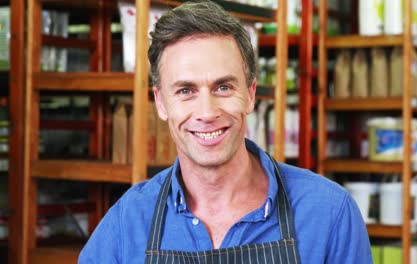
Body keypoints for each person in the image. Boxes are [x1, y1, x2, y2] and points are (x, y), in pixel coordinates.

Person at [79, 1, 372, 263]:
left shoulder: (329, 214)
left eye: (223, 87)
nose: (207, 112)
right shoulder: (127, 223)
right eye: (185, 90)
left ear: (251, 93)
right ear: (161, 102)